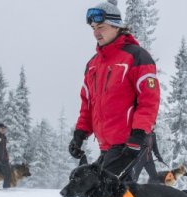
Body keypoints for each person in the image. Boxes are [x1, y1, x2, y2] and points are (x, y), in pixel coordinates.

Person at [69, 0, 160, 181]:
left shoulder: (136, 56)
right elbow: (87, 104)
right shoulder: (93, 64)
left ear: (116, 26)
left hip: (130, 143)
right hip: (107, 145)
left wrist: (138, 134)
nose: (96, 33)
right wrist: (80, 134)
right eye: (93, 28)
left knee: (108, 194)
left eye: (101, 27)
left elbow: (149, 100)